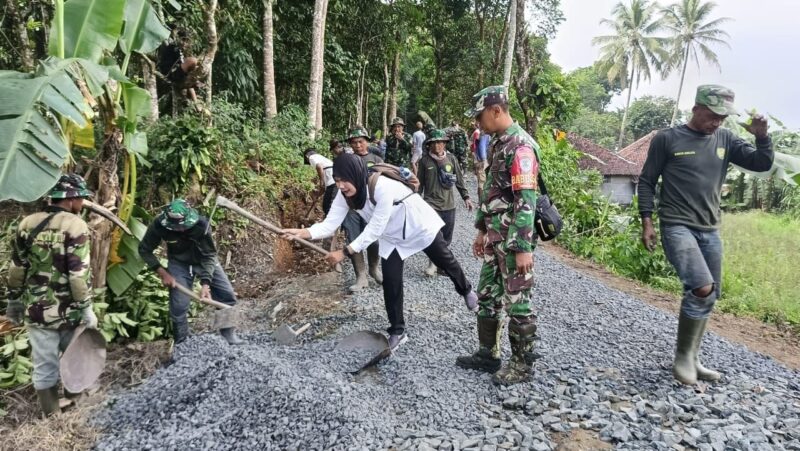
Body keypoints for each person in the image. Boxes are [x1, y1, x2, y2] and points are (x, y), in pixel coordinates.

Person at [638, 85, 774, 385]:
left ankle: (694, 357)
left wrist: (762, 136)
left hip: (710, 228)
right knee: (701, 287)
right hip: (676, 225)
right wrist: (647, 222)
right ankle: (683, 358)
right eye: (712, 115)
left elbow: (761, 164)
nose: (716, 122)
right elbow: (647, 182)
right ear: (696, 108)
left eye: (722, 118)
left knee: (711, 293)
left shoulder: (725, 138)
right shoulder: (667, 139)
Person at [282, 154, 479, 350]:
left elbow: (374, 228)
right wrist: (303, 233)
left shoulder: (381, 187)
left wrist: (345, 252)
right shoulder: (344, 196)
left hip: (417, 225)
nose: (341, 185)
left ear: (355, 174)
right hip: (392, 236)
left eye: (345, 180)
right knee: (391, 282)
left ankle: (467, 290)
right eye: (337, 180)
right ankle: (397, 331)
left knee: (445, 260)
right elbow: (329, 224)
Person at [456, 86, 541, 386]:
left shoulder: (521, 147)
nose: (477, 122)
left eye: (479, 116)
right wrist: (481, 230)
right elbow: (492, 191)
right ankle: (487, 353)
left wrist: (522, 247)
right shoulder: (497, 144)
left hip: (513, 240)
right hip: (495, 238)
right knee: (488, 295)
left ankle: (521, 365)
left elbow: (526, 199)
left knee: (518, 300)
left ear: (496, 111)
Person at [5, 174, 97, 416]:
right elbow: (78, 275)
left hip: (37, 310)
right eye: (82, 197)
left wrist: (13, 300)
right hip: (70, 310)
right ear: (72, 198)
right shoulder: (76, 226)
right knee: (75, 358)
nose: (83, 202)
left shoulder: (28, 223)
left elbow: (17, 267)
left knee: (44, 365)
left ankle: (52, 416)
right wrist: (86, 309)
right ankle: (76, 406)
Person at [138, 199, 244, 346]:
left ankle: (228, 335)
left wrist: (206, 284)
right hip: (179, 263)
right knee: (179, 304)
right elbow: (144, 250)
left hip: (204, 260)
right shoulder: (159, 225)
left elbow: (209, 255)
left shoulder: (201, 225)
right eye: (176, 227)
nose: (180, 229)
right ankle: (182, 343)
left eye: (183, 226)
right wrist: (163, 273)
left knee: (226, 296)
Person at [417, 129, 473, 276]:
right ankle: (432, 264)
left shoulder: (452, 159)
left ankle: (442, 265)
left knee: (446, 237)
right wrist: (415, 202)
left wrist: (466, 197)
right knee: (434, 235)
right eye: (434, 143)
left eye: (440, 142)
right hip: (431, 203)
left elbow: (459, 180)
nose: (437, 146)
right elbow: (419, 184)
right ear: (429, 145)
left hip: (449, 204)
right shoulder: (424, 161)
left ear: (445, 143)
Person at [340, 126, 384, 291]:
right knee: (353, 239)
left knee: (373, 237)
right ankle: (361, 276)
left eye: (360, 141)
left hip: (371, 206)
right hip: (351, 207)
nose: (357, 145)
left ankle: (373, 268)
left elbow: (386, 184)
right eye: (354, 142)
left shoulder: (377, 160)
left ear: (367, 142)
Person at [304, 148, 337, 215]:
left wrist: (321, 181)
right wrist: (318, 196)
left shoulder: (312, 157)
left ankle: (331, 224)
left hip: (333, 183)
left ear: (307, 156)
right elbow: (323, 188)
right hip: (336, 183)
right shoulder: (323, 160)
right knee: (329, 206)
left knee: (327, 207)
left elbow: (319, 167)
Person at [471, 123, 489, 200]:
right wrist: (484, 160)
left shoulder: (480, 133)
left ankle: (481, 201)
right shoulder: (484, 135)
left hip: (478, 160)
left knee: (481, 182)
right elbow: (482, 147)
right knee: (482, 182)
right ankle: (481, 202)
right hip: (482, 161)